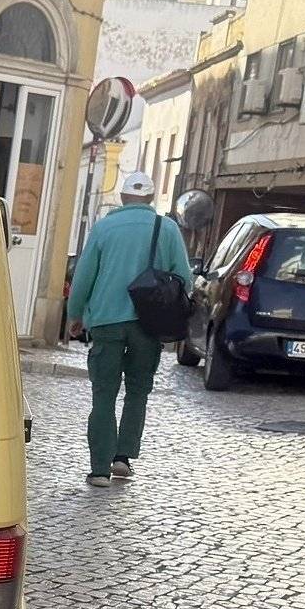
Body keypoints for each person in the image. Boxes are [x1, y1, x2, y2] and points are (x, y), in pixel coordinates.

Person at [64, 168, 192, 488]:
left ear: (122, 198)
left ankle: (98, 470)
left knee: (104, 394)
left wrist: (75, 313)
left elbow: (84, 277)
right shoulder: (168, 229)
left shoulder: (105, 227)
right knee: (138, 391)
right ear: (150, 199)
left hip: (107, 320)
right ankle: (122, 458)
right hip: (149, 324)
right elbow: (185, 279)